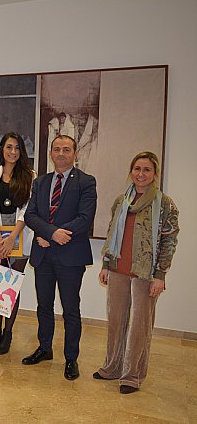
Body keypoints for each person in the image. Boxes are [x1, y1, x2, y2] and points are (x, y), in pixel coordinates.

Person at [94, 151, 179, 394]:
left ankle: (132, 376)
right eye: (137, 169)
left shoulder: (164, 204)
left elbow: (169, 241)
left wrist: (160, 276)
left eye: (146, 170)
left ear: (155, 174)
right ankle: (111, 368)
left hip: (146, 273)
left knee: (139, 327)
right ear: (131, 172)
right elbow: (113, 232)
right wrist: (106, 265)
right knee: (116, 322)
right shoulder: (122, 201)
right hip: (118, 268)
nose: (141, 174)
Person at [22, 135, 97, 381]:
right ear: (51, 153)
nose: (61, 153)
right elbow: (31, 215)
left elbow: (85, 218)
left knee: (70, 309)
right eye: (57, 149)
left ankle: (71, 358)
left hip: (70, 257)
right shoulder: (41, 182)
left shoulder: (86, 182)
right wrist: (50, 233)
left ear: (75, 153)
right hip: (43, 255)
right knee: (44, 306)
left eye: (66, 149)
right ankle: (44, 348)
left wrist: (52, 235)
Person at [0, 133, 35, 354]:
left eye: (17, 148)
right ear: (2, 149)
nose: (12, 152)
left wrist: (11, 238)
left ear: (21, 151)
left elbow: (27, 209)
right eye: (8, 147)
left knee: (11, 287)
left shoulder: (30, 175)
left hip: (19, 236)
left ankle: (8, 333)